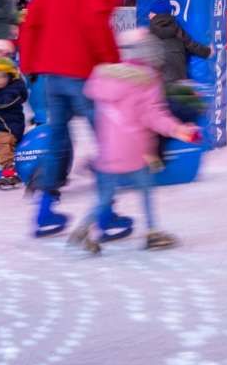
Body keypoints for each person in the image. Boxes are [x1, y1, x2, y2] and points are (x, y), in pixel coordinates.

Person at [20, 0, 136, 235]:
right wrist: (112, 64)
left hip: (52, 74)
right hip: (83, 75)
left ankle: (44, 212)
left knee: (57, 140)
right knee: (109, 142)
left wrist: (31, 64)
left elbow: (33, 20)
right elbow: (94, 21)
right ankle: (106, 216)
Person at [71, 27, 201, 253]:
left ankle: (83, 228)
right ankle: (152, 232)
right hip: (134, 152)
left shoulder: (105, 78)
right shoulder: (146, 82)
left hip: (108, 152)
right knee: (145, 190)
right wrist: (181, 130)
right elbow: (154, 117)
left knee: (106, 196)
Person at [0, 56, 29, 190]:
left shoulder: (14, 90)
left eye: (1, 77)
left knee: (1, 142)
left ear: (11, 77)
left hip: (10, 128)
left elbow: (1, 104)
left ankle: (9, 172)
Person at [145, 9, 211, 92]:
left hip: (160, 79)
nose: (148, 15)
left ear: (156, 14)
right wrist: (207, 52)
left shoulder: (149, 32)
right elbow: (191, 45)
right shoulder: (177, 29)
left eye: (151, 13)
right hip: (179, 77)